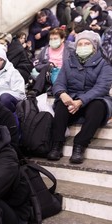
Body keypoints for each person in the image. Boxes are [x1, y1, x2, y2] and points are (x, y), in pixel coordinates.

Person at [47, 30, 112, 164]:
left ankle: (80, 145)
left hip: (94, 99)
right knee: (60, 104)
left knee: (98, 107)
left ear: (94, 46)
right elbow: (59, 83)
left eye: (86, 43)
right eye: (80, 44)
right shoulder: (68, 62)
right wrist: (62, 93)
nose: (83, 46)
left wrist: (81, 101)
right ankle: (57, 144)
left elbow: (102, 88)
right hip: (72, 97)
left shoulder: (104, 64)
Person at [29, 27, 75, 96]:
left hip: (64, 71)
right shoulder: (46, 49)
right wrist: (49, 64)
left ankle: (42, 89)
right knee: (46, 67)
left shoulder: (70, 48)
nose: (53, 41)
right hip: (48, 71)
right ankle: (37, 90)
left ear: (62, 39)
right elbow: (37, 62)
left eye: (55, 39)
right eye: (51, 39)